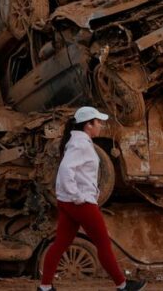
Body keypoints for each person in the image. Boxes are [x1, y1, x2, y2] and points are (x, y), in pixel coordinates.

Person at [38, 106, 147, 291]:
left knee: (61, 244)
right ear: (88, 125)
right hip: (80, 204)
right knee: (103, 243)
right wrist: (78, 196)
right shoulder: (80, 144)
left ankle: (45, 287)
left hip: (69, 202)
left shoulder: (80, 142)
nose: (101, 125)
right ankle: (123, 286)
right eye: (98, 122)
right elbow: (65, 171)